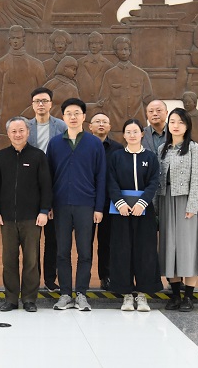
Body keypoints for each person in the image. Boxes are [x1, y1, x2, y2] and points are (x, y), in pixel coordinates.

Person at [46, 98, 105, 311]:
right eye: (69, 113)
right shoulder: (54, 143)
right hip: (60, 206)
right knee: (62, 251)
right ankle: (64, 294)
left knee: (85, 252)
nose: (73, 117)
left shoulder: (94, 143)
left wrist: (98, 207)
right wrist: (48, 205)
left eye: (77, 113)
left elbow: (101, 177)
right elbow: (48, 177)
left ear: (84, 117)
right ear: (63, 117)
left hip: (85, 205)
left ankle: (81, 294)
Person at [0, 117, 52, 312]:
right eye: (14, 131)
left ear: (28, 132)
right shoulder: (1, 156)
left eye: (21, 131)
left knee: (31, 260)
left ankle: (29, 299)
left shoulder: (38, 156)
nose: (18, 134)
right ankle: (10, 299)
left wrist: (44, 211)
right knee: (9, 260)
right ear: (8, 134)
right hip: (7, 218)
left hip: (32, 218)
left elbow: (46, 186)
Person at [107, 119, 161, 311]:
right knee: (122, 251)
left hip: (143, 212)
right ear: (124, 135)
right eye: (128, 132)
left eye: (135, 131)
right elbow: (111, 181)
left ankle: (143, 294)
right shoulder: (116, 157)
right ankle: (127, 295)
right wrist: (120, 203)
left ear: (142, 134)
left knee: (145, 251)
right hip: (120, 212)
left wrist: (142, 203)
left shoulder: (150, 157)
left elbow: (154, 182)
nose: (132, 135)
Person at [156, 108, 198, 312]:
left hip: (185, 202)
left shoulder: (194, 148)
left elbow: (197, 177)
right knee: (170, 247)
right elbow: (158, 179)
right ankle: (175, 295)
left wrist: (192, 205)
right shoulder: (162, 149)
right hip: (165, 200)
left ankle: (188, 297)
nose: (176, 126)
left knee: (187, 248)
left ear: (187, 126)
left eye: (180, 122)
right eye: (172, 121)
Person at [27, 87, 67, 291]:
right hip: (31, 187)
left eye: (44, 101)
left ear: (51, 104)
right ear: (32, 104)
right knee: (32, 239)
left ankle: (50, 279)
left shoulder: (61, 126)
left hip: (55, 184)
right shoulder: (25, 126)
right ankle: (33, 279)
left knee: (53, 238)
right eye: (37, 101)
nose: (41, 104)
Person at [88, 112, 122, 290]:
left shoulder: (118, 148)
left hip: (110, 202)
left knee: (107, 241)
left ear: (109, 127)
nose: (101, 124)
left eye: (104, 122)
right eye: (97, 121)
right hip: (87, 201)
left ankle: (106, 276)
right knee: (85, 242)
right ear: (90, 127)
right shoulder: (83, 145)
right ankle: (83, 278)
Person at [0, 26, 46, 132]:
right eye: (13, 38)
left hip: (31, 115)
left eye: (18, 38)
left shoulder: (36, 65)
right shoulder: (0, 65)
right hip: (7, 116)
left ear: (23, 40)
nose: (15, 41)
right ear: (9, 40)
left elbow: (42, 91)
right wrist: (3, 112)